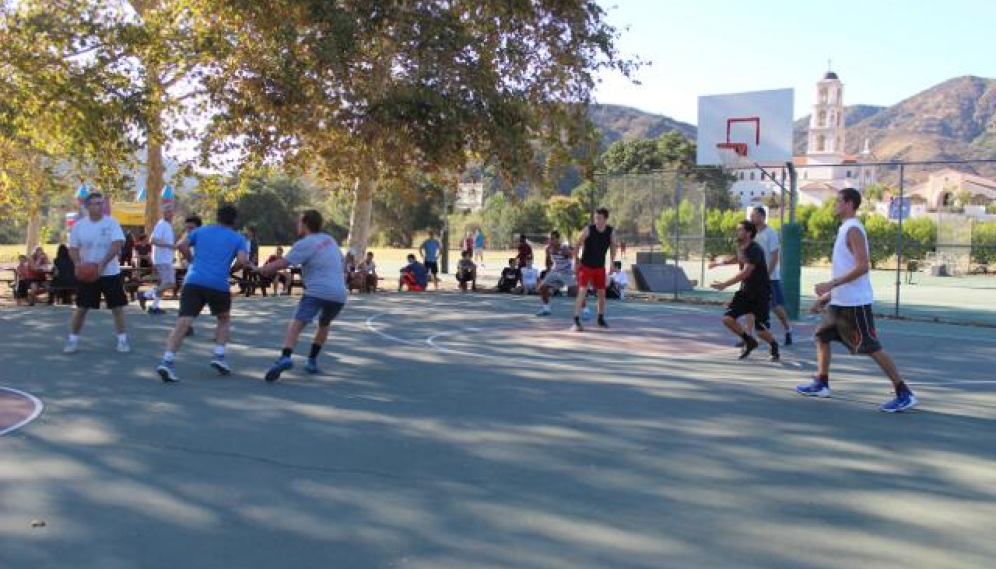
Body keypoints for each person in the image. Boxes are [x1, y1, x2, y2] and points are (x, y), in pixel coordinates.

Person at [796, 188, 917, 413]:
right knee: (822, 335)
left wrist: (830, 285)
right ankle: (822, 383)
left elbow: (862, 266)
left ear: (850, 204)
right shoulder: (844, 229)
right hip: (840, 302)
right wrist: (827, 297)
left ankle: (904, 393)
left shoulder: (853, 229)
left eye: (838, 201)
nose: (835, 204)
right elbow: (847, 267)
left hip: (855, 304)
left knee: (871, 347)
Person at [155, 204, 250, 382]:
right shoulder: (238, 238)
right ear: (234, 220)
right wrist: (230, 269)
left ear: (217, 217)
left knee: (183, 323)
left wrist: (192, 260)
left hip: (194, 281)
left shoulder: (202, 231)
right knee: (223, 318)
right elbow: (243, 261)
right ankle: (219, 356)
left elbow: (181, 245)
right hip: (218, 284)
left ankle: (167, 361)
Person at [258, 210, 348, 381]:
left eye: (299, 222)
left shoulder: (305, 243)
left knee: (297, 323)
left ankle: (286, 356)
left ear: (305, 224)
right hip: (339, 293)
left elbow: (283, 263)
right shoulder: (330, 240)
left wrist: (265, 269)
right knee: (324, 323)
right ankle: (312, 361)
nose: (297, 225)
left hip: (317, 291)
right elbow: (339, 262)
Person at [65, 192, 131, 354]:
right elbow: (73, 248)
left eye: (101, 203)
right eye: (95, 203)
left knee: (117, 308)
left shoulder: (111, 223)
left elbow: (116, 244)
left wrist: (102, 263)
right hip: (88, 274)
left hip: (110, 272)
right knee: (81, 308)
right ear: (87, 207)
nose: (99, 206)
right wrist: (77, 264)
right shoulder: (79, 226)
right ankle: (72, 341)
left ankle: (122, 341)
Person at [710, 220, 780, 361]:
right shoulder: (741, 246)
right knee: (728, 319)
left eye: (740, 229)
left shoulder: (755, 249)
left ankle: (774, 345)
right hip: (745, 291)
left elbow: (746, 272)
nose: (738, 232)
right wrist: (719, 263)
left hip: (760, 292)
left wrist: (725, 284)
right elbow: (739, 258)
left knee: (760, 330)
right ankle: (749, 341)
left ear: (748, 233)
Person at [750, 207, 794, 345]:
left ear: (763, 217)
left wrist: (766, 275)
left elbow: (775, 257)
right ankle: (749, 337)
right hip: (754, 278)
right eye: (751, 216)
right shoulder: (751, 234)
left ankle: (788, 329)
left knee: (775, 308)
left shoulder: (771, 233)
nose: (752, 218)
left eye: (755, 216)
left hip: (770, 278)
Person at [572, 207, 618, 332]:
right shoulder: (588, 230)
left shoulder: (611, 231)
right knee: (582, 291)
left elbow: (614, 246)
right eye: (596, 218)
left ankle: (600, 318)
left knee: (602, 293)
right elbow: (577, 243)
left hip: (599, 267)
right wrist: (575, 260)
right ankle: (576, 321)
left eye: (600, 218)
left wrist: (612, 263)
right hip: (585, 266)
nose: (597, 220)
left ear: (606, 219)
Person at [141, 203, 177, 314]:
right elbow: (153, 240)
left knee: (164, 283)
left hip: (166, 259)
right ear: (163, 213)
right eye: (168, 211)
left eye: (171, 211)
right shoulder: (161, 224)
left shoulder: (168, 225)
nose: (170, 214)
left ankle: (154, 306)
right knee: (171, 283)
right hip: (162, 260)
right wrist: (170, 246)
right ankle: (145, 295)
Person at [535, 230, 576, 316]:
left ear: (558, 239)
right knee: (542, 287)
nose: (550, 241)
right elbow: (548, 264)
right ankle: (546, 309)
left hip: (566, 272)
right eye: (549, 239)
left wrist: (575, 268)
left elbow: (574, 256)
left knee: (575, 291)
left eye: (552, 239)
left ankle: (585, 310)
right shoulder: (548, 248)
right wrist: (547, 259)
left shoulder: (564, 248)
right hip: (556, 271)